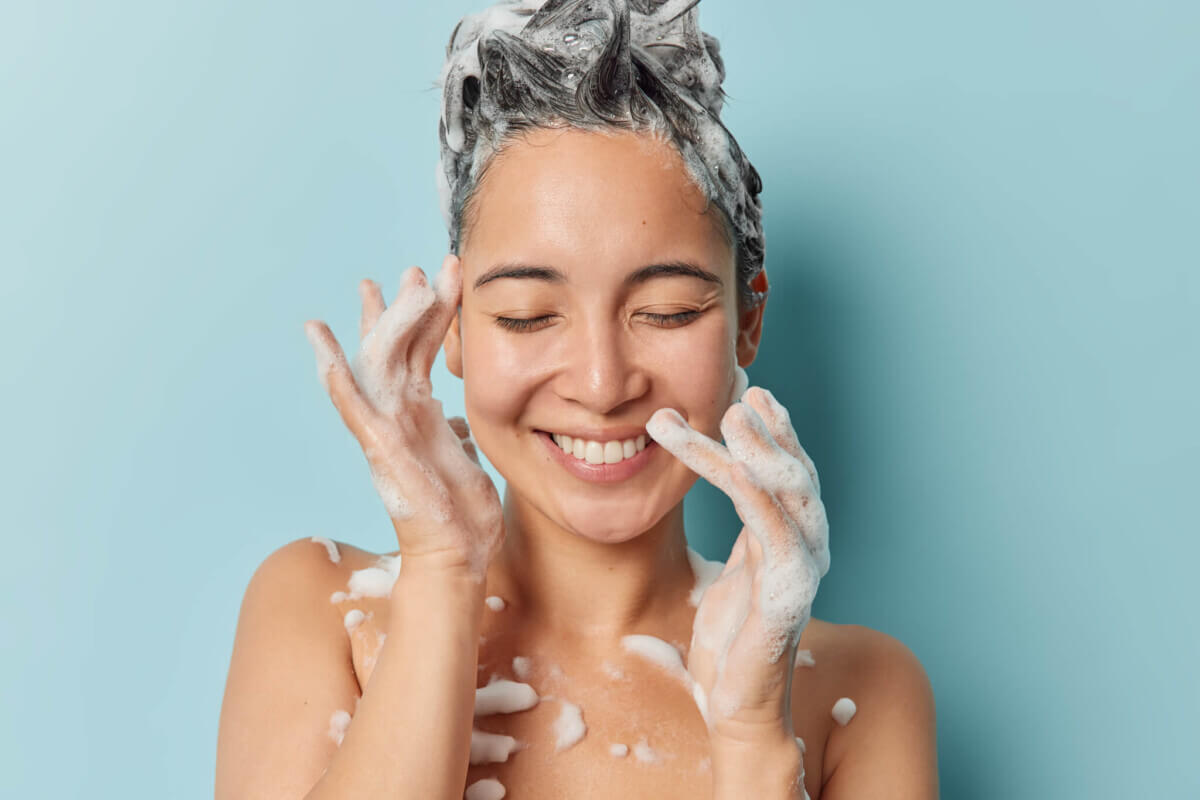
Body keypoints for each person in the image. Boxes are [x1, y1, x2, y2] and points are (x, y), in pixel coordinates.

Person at [215, 1, 938, 798]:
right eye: (528, 315)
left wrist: (750, 734)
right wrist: (442, 577)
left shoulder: (859, 694)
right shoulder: (321, 612)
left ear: (748, 322)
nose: (601, 385)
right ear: (452, 328)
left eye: (666, 311)